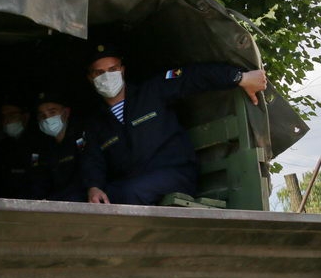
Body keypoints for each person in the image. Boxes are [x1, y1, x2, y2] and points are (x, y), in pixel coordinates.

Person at [81, 44, 268, 205]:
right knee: (94, 199)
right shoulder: (96, 123)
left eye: (113, 69)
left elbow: (192, 77)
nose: (107, 76)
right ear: (90, 78)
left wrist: (238, 78)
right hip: (133, 182)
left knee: (129, 193)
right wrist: (94, 187)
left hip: (174, 174)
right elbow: (93, 160)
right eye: (100, 72)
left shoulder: (152, 91)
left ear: (122, 70)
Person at [32, 90, 87, 202]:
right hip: (52, 204)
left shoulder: (82, 137)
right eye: (42, 115)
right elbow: (37, 177)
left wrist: (53, 199)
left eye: (52, 112)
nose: (47, 118)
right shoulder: (40, 146)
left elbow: (85, 175)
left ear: (66, 112)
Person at [0, 99, 43, 199]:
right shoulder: (2, 147)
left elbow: (39, 181)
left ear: (25, 117)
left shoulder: (39, 144)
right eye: (3, 117)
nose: (6, 121)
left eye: (12, 115)